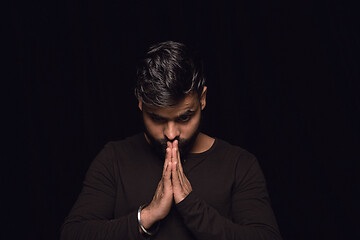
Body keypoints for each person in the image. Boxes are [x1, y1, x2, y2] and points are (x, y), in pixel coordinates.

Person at [61, 41, 282, 240]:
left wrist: (191, 207)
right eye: (157, 118)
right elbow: (73, 234)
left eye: (184, 117)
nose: (171, 133)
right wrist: (147, 216)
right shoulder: (114, 158)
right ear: (140, 103)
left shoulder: (239, 164)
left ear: (202, 99)